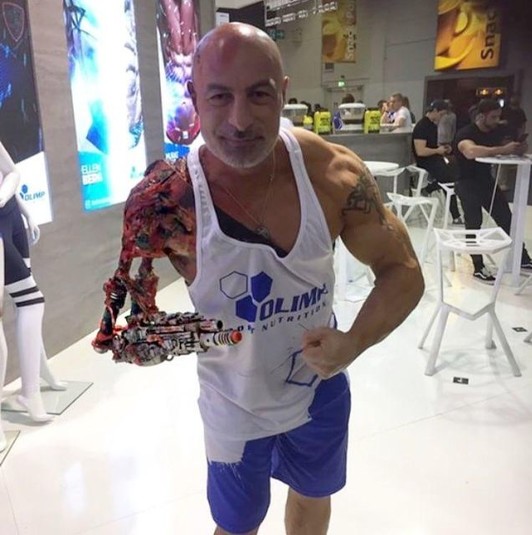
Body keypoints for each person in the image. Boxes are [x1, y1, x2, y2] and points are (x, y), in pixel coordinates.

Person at [95, 23, 424, 534]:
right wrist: (189, 333)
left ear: (283, 93)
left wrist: (354, 342)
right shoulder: (168, 202)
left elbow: (403, 271)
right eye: (220, 96)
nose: (240, 119)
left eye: (259, 95)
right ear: (194, 98)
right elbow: (122, 332)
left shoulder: (332, 174)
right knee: (237, 524)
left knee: (313, 497)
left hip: (318, 389)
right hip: (233, 403)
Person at [0, 142, 63, 438]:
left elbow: (11, 172)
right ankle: (30, 390)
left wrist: (23, 210)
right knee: (28, 303)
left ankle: (39, 375)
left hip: (11, 217)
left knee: (26, 303)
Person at [454, 99, 532, 283]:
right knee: (474, 223)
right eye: (493, 117)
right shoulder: (466, 133)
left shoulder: (496, 131)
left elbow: (510, 147)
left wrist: (517, 147)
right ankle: (478, 266)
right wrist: (502, 149)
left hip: (486, 182)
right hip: (466, 182)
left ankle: (522, 258)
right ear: (481, 116)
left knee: (507, 219)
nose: (497, 120)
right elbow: (470, 151)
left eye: (499, 117)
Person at [412, 99, 462, 224]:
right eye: (441, 114)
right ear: (434, 111)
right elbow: (420, 151)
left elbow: (431, 146)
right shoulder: (422, 126)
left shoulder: (432, 126)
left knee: (455, 171)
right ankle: (455, 215)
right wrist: (437, 150)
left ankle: (429, 189)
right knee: (448, 179)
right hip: (425, 161)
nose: (441, 118)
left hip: (433, 158)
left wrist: (442, 149)